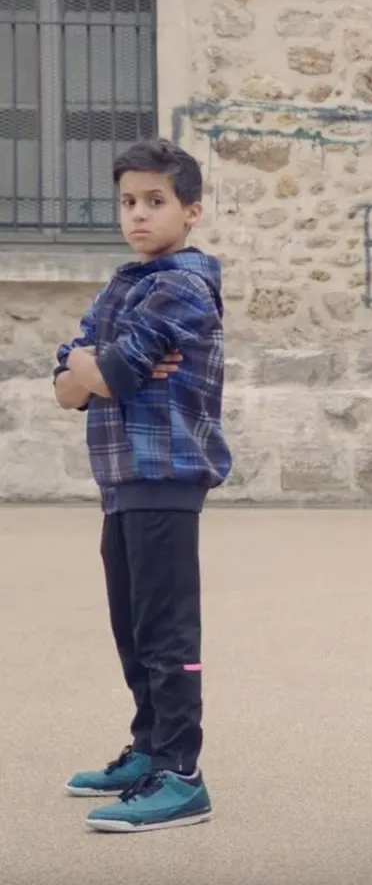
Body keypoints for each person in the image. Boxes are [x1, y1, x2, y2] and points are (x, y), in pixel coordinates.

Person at [52, 138, 231, 833]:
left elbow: (112, 374)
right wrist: (92, 367)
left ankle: (181, 775)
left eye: (156, 201)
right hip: (122, 479)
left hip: (165, 476)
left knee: (165, 631)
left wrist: (96, 365)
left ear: (192, 210)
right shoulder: (120, 286)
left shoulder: (183, 285)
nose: (139, 214)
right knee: (132, 627)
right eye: (128, 201)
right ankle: (150, 749)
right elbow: (68, 387)